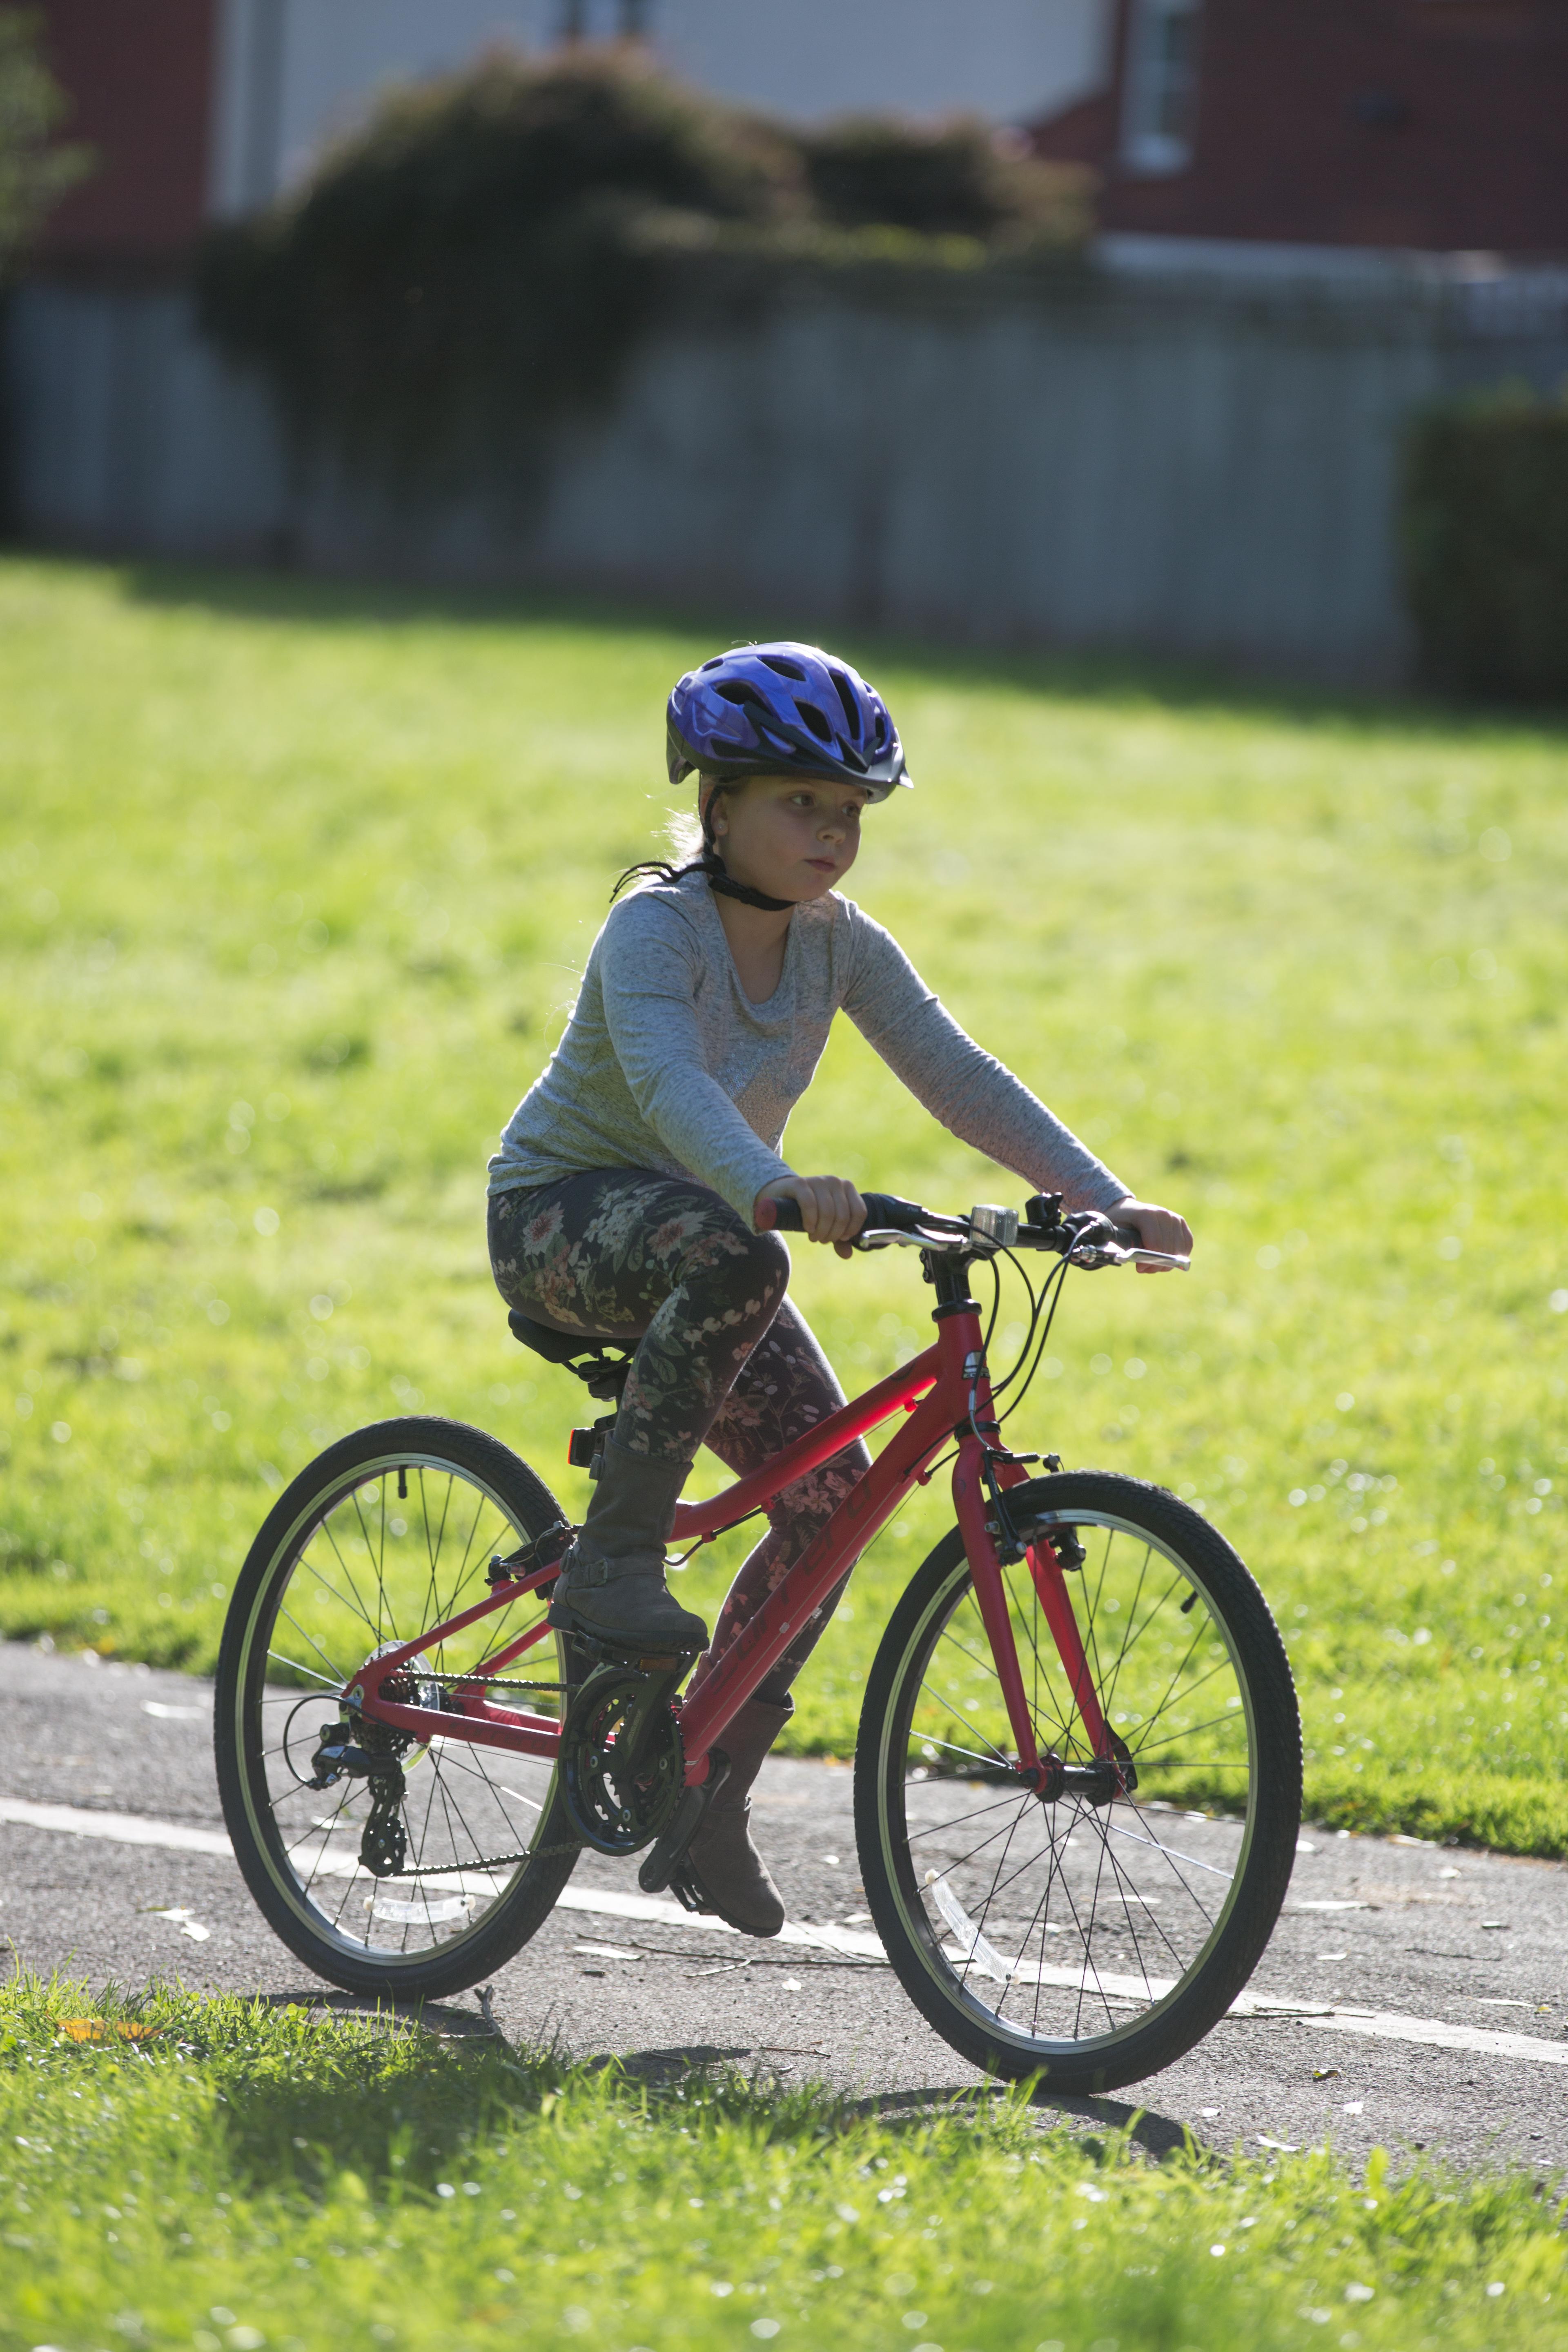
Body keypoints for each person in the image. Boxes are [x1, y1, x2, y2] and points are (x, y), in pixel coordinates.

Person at [487, 641, 1191, 1938]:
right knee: (737, 1255)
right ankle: (615, 1569)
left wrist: (1101, 1198)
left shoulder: (836, 944)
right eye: (799, 804)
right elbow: (665, 1085)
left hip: (714, 1243)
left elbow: (955, 1070)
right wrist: (771, 1183)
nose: (830, 834)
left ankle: (704, 1794)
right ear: (717, 806)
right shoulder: (655, 928)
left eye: (851, 812)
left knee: (832, 1503)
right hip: (561, 1219)